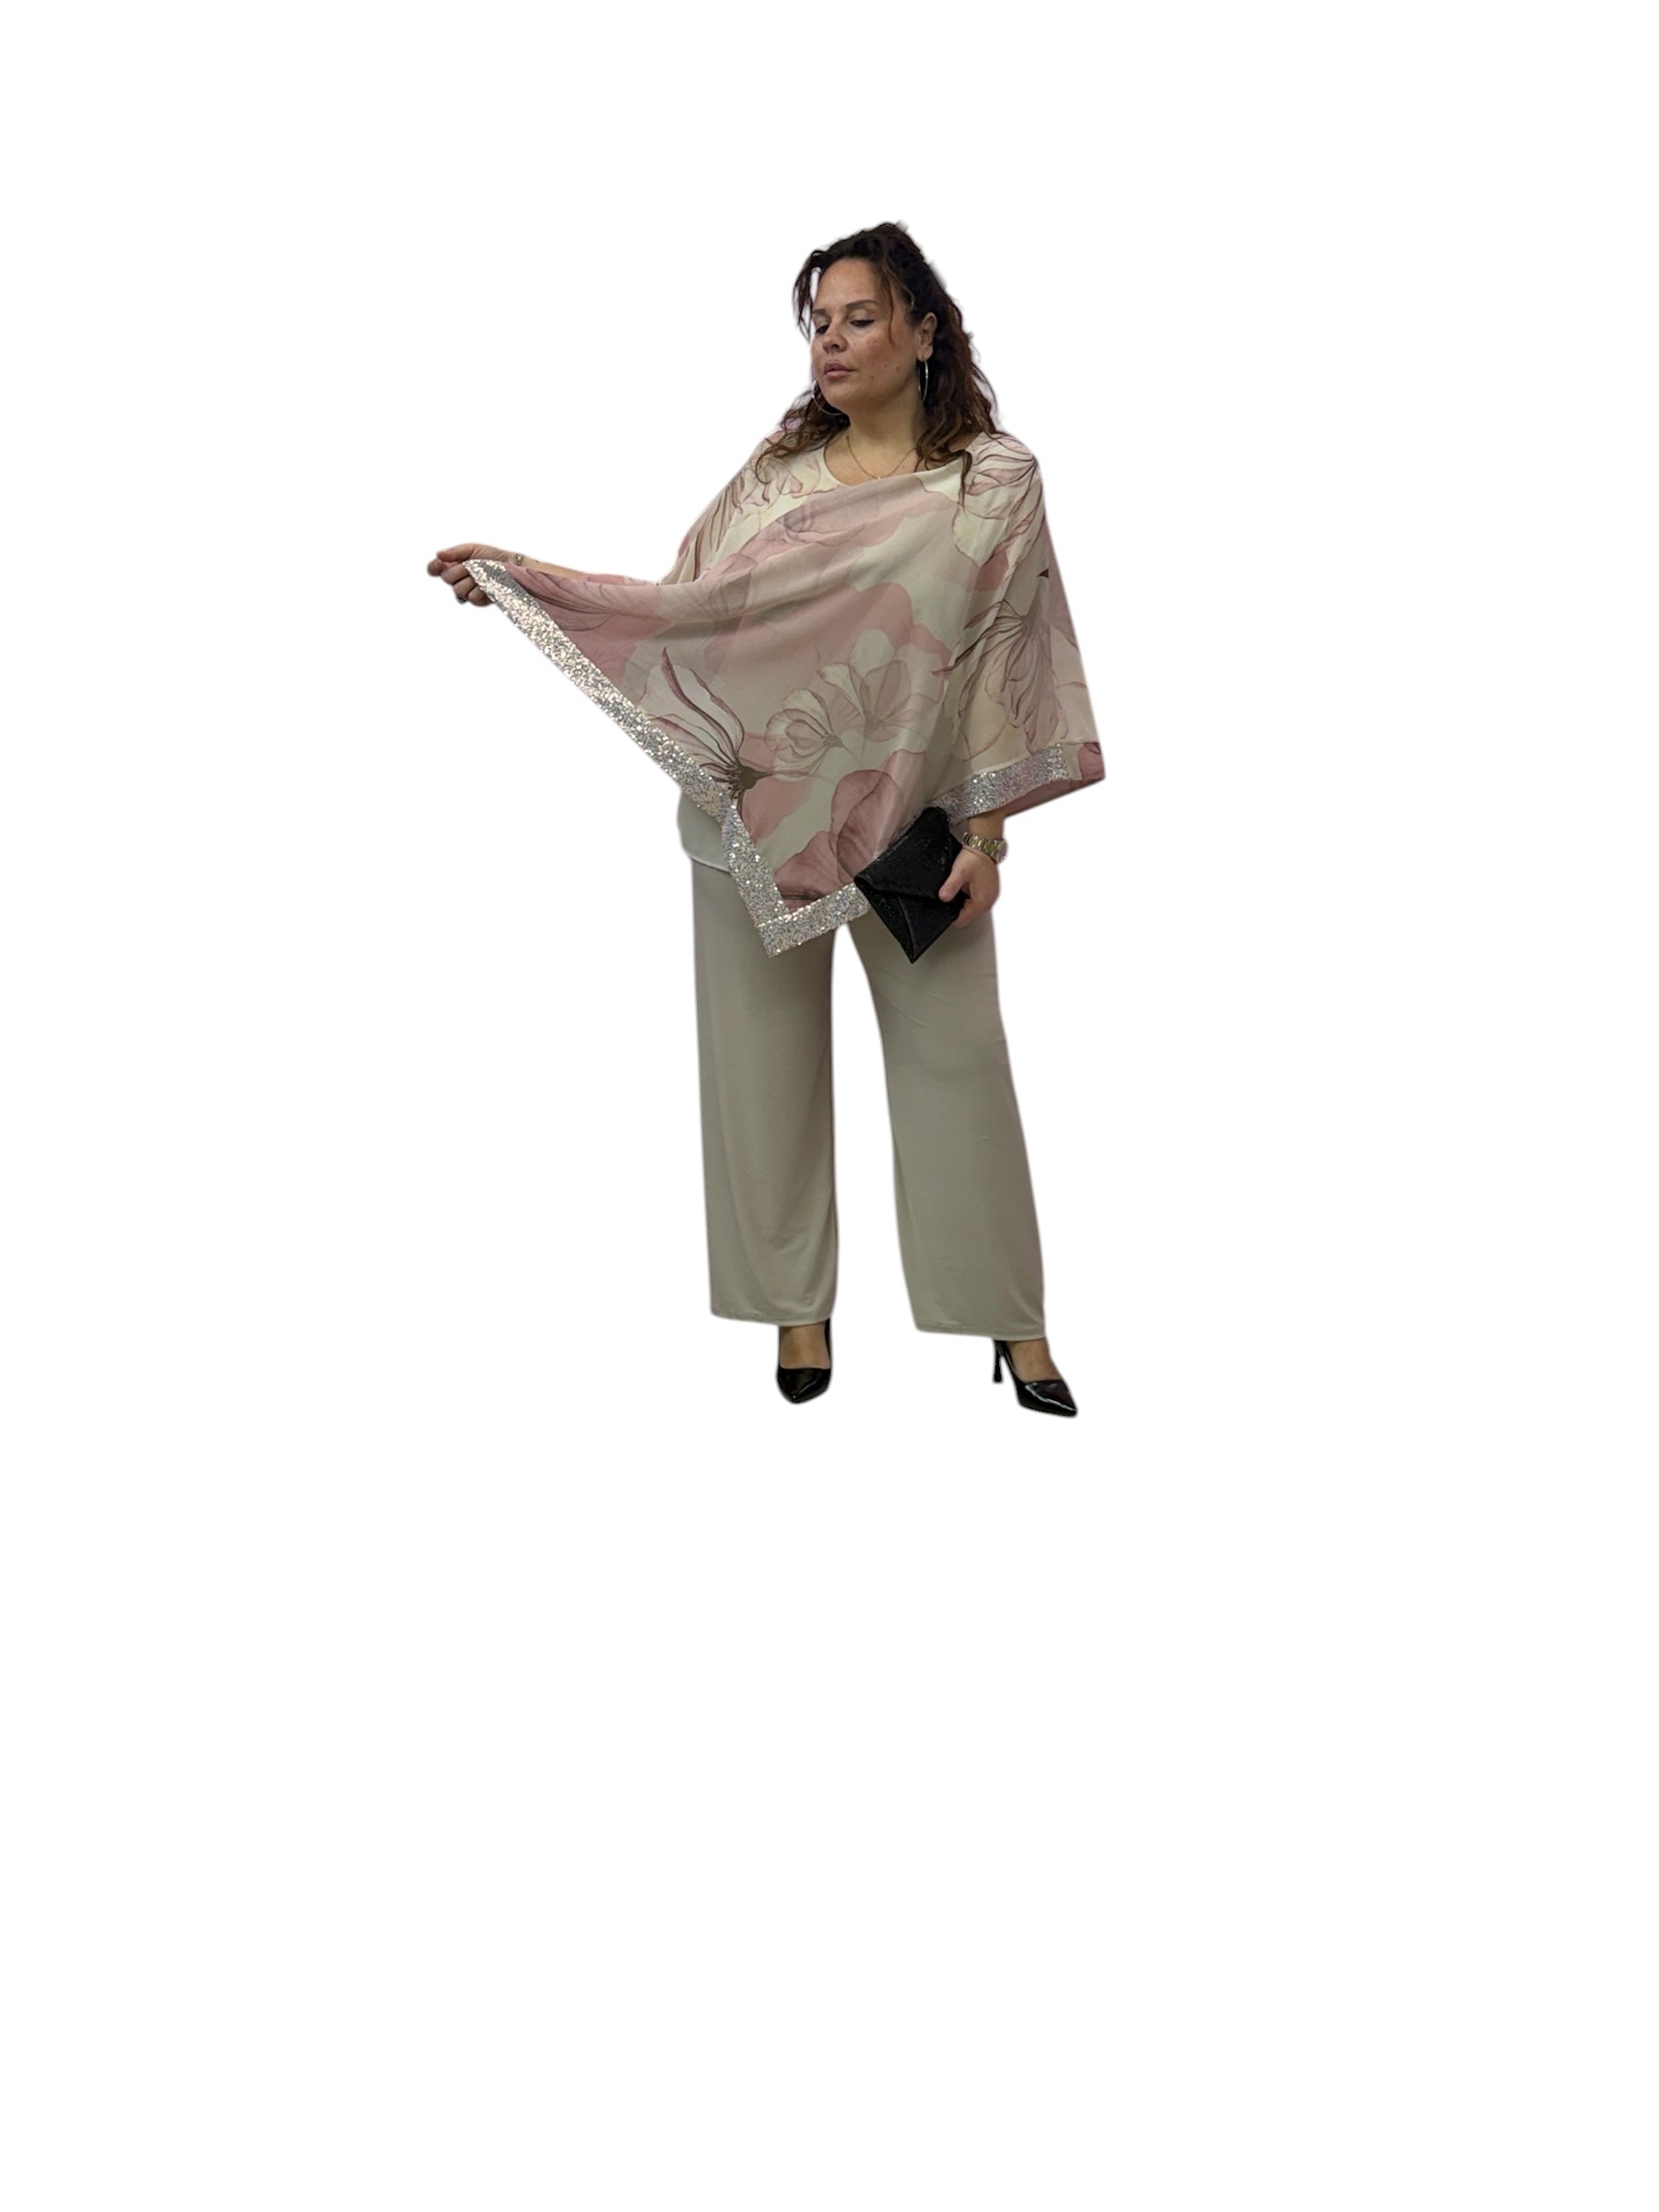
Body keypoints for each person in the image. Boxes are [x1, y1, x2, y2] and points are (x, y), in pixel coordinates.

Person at [429, 223, 1103, 1416]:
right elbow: (686, 613)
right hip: (755, 818)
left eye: (859, 318)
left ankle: (1014, 1321)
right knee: (762, 1072)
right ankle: (797, 1307)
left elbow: (1009, 653)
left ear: (924, 332)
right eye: (818, 322)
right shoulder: (777, 476)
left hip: (919, 832)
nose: (831, 342)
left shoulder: (992, 481)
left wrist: (991, 836)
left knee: (958, 1068)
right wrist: (532, 583)